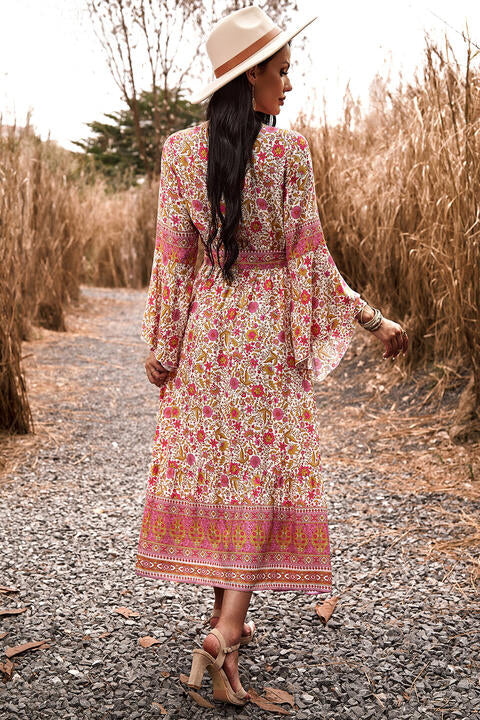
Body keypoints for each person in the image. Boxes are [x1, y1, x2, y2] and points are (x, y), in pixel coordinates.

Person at [135, 5, 409, 706]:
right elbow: (312, 260)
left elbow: (172, 261)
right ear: (250, 73)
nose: (290, 83)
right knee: (259, 481)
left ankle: (227, 621)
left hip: (206, 338)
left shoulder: (177, 151)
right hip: (265, 340)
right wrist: (373, 319)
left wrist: (163, 347)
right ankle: (226, 632)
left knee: (223, 476)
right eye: (281, 71)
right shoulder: (289, 155)